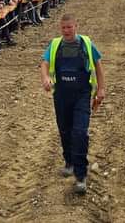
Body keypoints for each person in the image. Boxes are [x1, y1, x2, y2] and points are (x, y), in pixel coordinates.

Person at [40, 14, 105, 195]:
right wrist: (45, 78)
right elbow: (44, 63)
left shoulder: (86, 44)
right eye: (63, 28)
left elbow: (98, 65)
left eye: (70, 27)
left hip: (82, 94)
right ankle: (69, 162)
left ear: (76, 26)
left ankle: (80, 175)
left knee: (79, 132)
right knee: (65, 130)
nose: (67, 31)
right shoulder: (55, 45)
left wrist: (101, 89)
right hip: (61, 94)